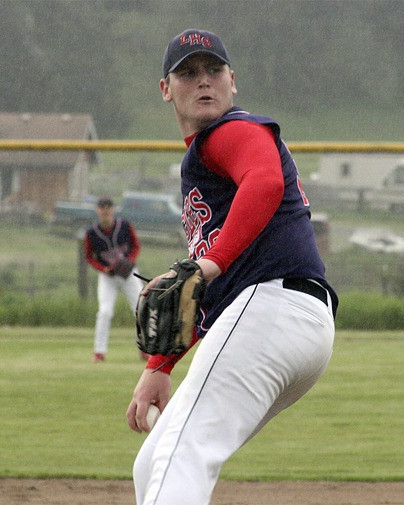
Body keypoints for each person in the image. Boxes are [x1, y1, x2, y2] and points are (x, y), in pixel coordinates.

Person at [126, 29, 339, 505]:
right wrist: (160, 366)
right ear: (166, 88)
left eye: (213, 70)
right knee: (155, 458)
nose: (203, 81)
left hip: (273, 309)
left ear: (232, 81)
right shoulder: (207, 160)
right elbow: (210, 292)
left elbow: (263, 182)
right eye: (187, 72)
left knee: (183, 455)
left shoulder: (232, 132)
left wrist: (209, 264)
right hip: (288, 321)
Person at [85, 196, 144, 363]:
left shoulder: (124, 226)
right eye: (102, 207)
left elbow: (136, 245)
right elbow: (89, 257)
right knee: (105, 312)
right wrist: (103, 268)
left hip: (128, 275)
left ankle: (145, 350)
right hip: (108, 277)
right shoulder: (92, 233)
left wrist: (130, 261)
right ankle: (99, 352)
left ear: (113, 209)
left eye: (108, 207)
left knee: (141, 309)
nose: (105, 210)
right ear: (97, 211)